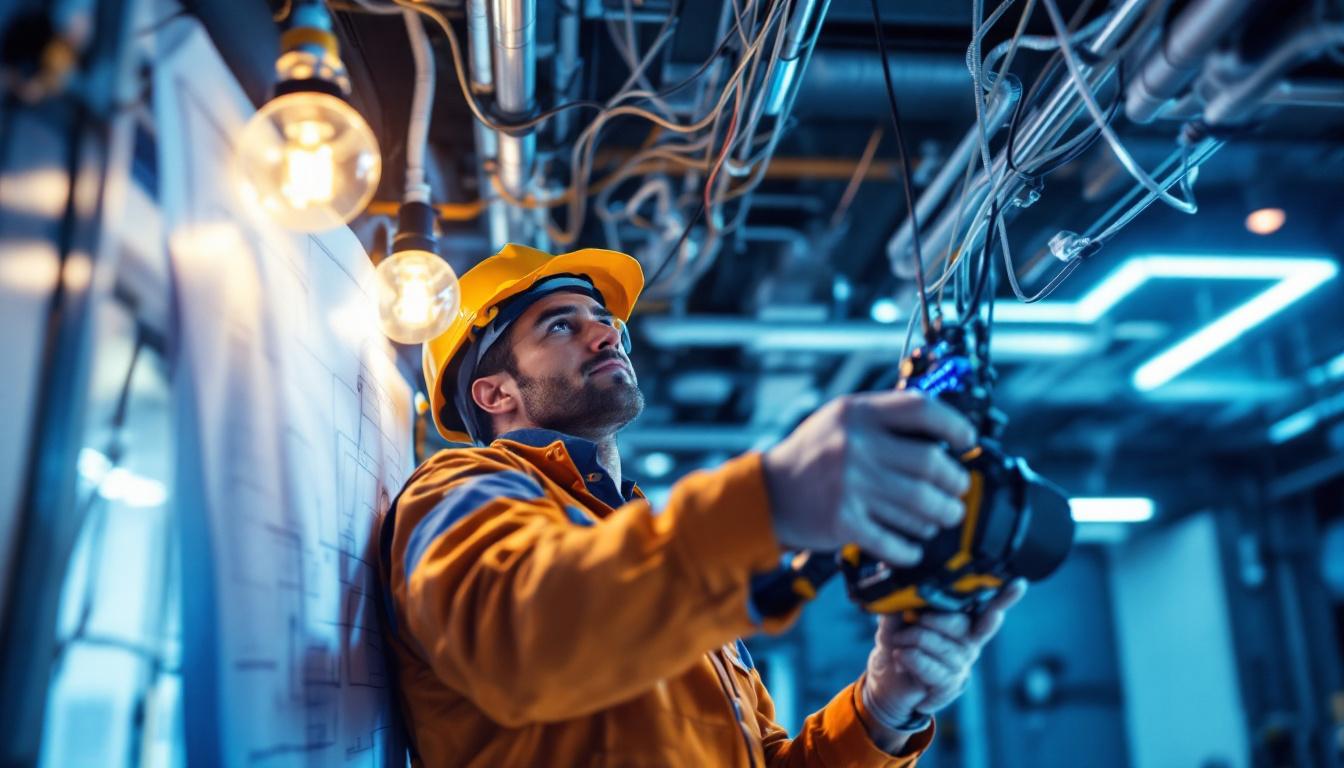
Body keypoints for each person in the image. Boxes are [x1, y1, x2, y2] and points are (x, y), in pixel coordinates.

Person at [377, 244, 1027, 766]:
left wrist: (883, 707)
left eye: (606, 321)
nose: (605, 335)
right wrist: (769, 501)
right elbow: (515, 641)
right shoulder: (461, 486)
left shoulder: (647, 554)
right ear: (494, 394)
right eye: (561, 326)